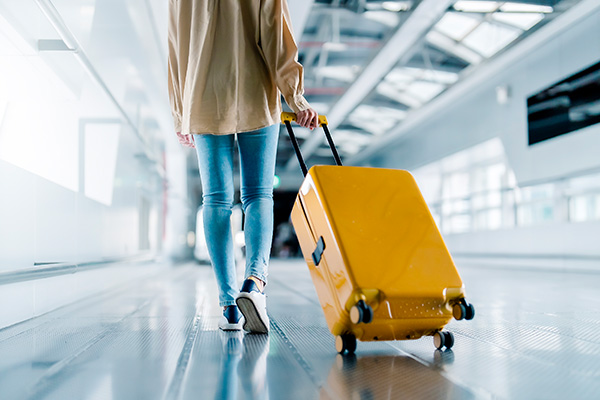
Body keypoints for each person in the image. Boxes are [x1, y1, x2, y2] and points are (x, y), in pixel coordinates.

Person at [167, 0, 318, 333]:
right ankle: (255, 282)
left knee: (216, 199)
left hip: (203, 96)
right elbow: (277, 36)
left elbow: (177, 46)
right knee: (258, 195)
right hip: (255, 92)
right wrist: (296, 97)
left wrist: (180, 112)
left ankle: (228, 307)